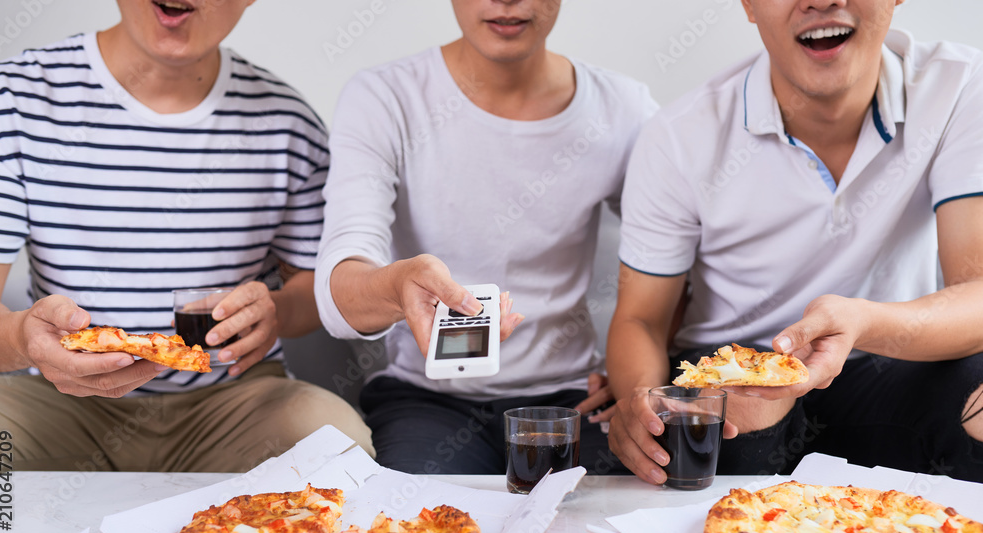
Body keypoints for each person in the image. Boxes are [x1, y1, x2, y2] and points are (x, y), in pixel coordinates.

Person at [0, 0, 371, 479]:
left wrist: (276, 309)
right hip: (57, 402)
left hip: (234, 401)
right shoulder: (12, 98)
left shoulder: (287, 122)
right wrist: (25, 339)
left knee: (337, 448)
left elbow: (314, 290)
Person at [608, 0, 983, 485]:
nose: (821, 1)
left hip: (893, 359)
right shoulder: (680, 135)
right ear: (748, 5)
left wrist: (863, 323)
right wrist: (641, 396)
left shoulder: (958, 87)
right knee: (746, 400)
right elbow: (639, 317)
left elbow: (976, 291)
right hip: (735, 375)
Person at [313, 0, 657, 474]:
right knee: (417, 530)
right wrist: (398, 286)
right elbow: (339, 292)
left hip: (570, 401)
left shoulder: (624, 108)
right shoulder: (385, 97)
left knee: (602, 525)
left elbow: (677, 257)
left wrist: (638, 380)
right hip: (427, 398)